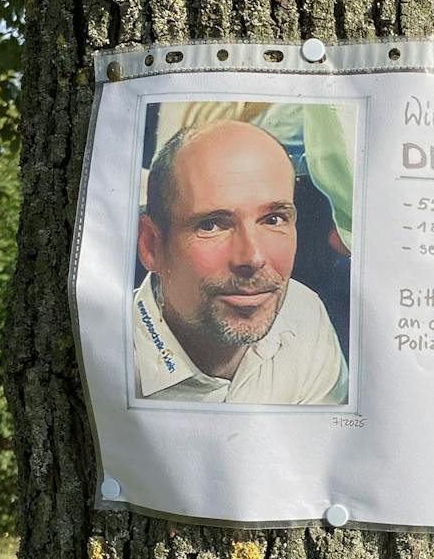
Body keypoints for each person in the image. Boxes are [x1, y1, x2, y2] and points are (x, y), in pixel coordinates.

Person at [132, 118, 348, 404]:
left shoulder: (305, 314)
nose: (253, 257)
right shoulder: (110, 361)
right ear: (151, 246)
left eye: (273, 219)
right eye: (211, 225)